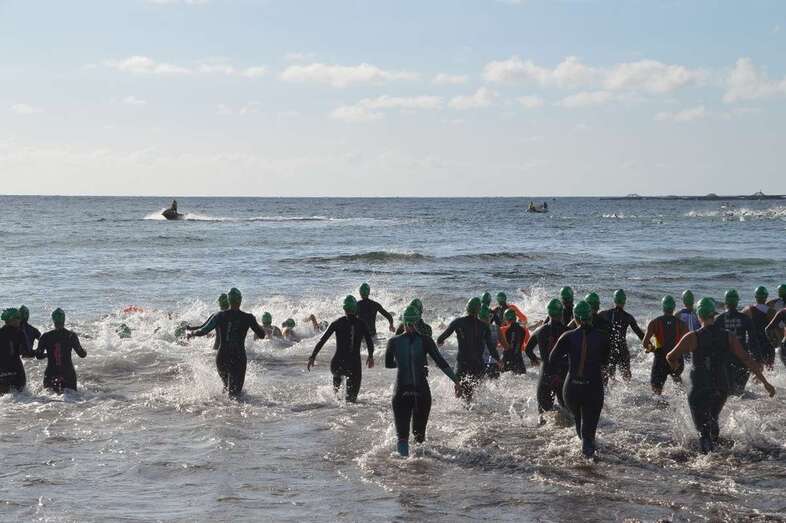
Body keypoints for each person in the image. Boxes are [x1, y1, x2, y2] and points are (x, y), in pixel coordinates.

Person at [667, 298, 775, 454]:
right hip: (721, 386)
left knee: (702, 429)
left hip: (699, 386)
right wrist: (765, 383)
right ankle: (719, 454)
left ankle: (708, 460)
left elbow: (670, 357)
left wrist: (676, 368)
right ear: (713, 315)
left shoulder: (692, 337)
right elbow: (746, 359)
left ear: (699, 315)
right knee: (712, 419)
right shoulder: (728, 336)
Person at [385, 305, 458, 457]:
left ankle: (403, 465)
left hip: (401, 392)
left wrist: (403, 363)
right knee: (419, 438)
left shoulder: (393, 342)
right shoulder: (426, 340)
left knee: (402, 437)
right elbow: (441, 362)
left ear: (403, 322)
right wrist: (456, 381)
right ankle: (419, 465)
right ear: (418, 321)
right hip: (421, 392)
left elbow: (388, 364)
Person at [548, 301, 610, 459]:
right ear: (591, 317)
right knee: (589, 432)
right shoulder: (602, 337)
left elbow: (552, 359)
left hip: (571, 388)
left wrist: (566, 366)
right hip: (593, 388)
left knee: (579, 422)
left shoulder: (567, 336)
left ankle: (582, 458)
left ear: (575, 318)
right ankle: (589, 464)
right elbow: (606, 362)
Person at [188, 288, 267, 398]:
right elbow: (262, 335)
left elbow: (203, 331)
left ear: (229, 300)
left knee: (226, 389)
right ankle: (234, 409)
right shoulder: (248, 317)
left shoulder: (219, 316)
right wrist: (257, 324)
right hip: (238, 357)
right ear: (240, 300)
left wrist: (191, 333)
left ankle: (221, 407)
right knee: (236, 394)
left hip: (222, 357)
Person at [308, 296, 374, 403]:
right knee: (351, 401)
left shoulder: (337, 322)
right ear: (355, 308)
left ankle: (334, 402)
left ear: (344, 308)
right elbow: (369, 342)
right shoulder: (361, 324)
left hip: (337, 365)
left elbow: (322, 340)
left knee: (336, 399)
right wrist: (370, 356)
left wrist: (312, 357)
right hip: (353, 366)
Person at [436, 297, 500, 401]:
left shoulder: (458, 322)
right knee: (471, 393)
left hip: (462, 363)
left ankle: (459, 409)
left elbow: (441, 338)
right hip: (478, 364)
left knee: (459, 391)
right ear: (479, 311)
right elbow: (491, 348)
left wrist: (440, 342)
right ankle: (471, 409)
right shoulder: (484, 326)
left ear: (467, 308)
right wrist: (499, 360)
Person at [525, 299, 570, 417]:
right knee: (567, 412)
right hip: (562, 374)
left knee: (543, 414)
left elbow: (527, 349)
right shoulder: (567, 332)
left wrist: (536, 360)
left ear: (548, 313)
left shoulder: (539, 331)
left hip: (546, 374)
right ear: (561, 313)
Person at [642, 295, 689, 395]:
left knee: (656, 391)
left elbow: (645, 343)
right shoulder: (682, 324)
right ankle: (682, 399)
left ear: (663, 307)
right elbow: (687, 345)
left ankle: (661, 403)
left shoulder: (654, 323)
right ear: (674, 307)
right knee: (677, 380)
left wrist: (651, 348)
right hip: (676, 360)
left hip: (660, 361)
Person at [716, 289, 759, 396]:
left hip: (725, 360)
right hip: (742, 360)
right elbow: (753, 340)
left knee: (728, 392)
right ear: (737, 302)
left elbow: (713, 343)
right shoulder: (745, 318)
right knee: (740, 392)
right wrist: (757, 359)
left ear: (725, 302)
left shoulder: (719, 319)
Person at [35, 308, 87, 393]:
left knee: (50, 398)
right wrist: (84, 351)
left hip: (51, 372)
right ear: (64, 319)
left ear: (53, 320)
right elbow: (82, 354)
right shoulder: (71, 335)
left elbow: (38, 356)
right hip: (68, 373)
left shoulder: (45, 336)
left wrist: (49, 354)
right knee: (72, 398)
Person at [599, 289, 644, 381]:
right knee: (626, 377)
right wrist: (650, 345)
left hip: (610, 349)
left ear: (614, 300)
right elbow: (639, 334)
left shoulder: (604, 314)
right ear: (624, 301)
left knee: (610, 376)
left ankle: (610, 390)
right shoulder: (628, 317)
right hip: (622, 348)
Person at [743, 286, 775, 368]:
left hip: (753, 342)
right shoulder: (771, 311)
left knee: (756, 367)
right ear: (766, 296)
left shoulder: (748, 309)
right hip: (767, 342)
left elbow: (739, 320)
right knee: (769, 367)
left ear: (755, 296)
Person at [0, 308, 30, 394]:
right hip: (17, 371)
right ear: (11, 320)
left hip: (2, 372)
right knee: (22, 397)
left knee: (4, 397)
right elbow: (27, 352)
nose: (20, 320)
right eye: (18, 318)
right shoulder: (20, 333)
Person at [499, 308, 535, 374]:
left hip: (506, 360)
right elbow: (527, 347)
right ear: (515, 318)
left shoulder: (502, 330)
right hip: (519, 361)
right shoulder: (524, 330)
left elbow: (497, 345)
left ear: (505, 319)